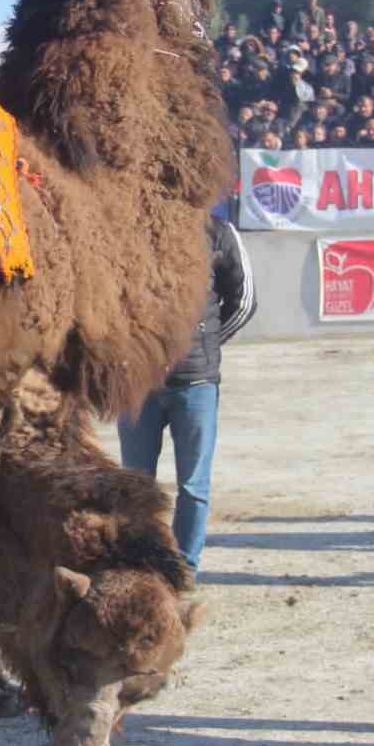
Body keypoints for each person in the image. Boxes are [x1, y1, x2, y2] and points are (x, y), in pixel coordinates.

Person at [118, 215, 257, 578]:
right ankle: (139, 566)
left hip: (196, 386)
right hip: (139, 385)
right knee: (135, 484)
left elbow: (243, 302)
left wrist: (203, 343)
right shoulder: (127, 226)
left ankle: (185, 570)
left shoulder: (218, 232)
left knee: (193, 485)